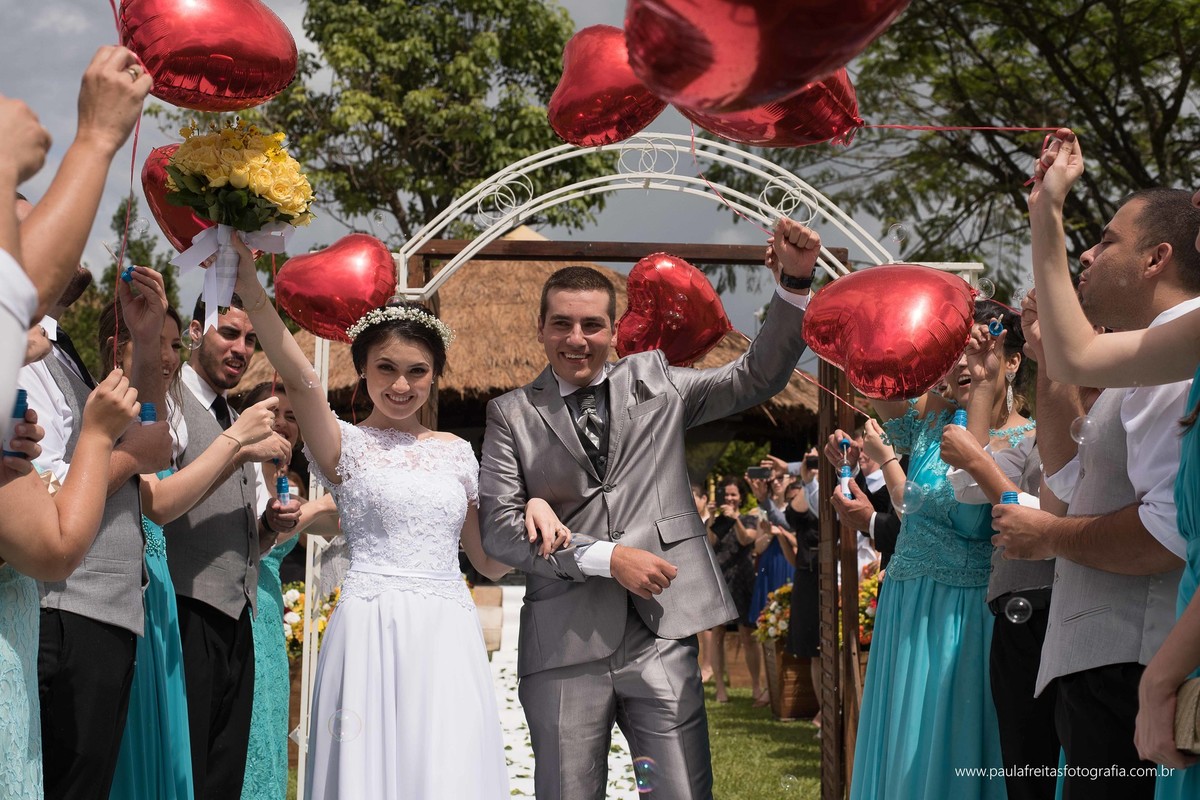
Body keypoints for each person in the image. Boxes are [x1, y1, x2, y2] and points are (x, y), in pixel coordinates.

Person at [478, 216, 815, 799]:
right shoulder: (508, 414)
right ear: (540, 329)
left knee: (682, 792)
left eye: (591, 325)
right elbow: (502, 532)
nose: (575, 338)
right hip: (562, 644)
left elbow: (757, 374)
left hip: (662, 631)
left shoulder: (658, 383)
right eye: (561, 323)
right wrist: (608, 558)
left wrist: (794, 282)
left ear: (614, 331)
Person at [226, 236, 518, 799]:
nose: (401, 384)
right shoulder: (346, 446)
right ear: (362, 369)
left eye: (417, 370)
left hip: (446, 628)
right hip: (369, 626)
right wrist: (251, 293)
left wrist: (537, 512)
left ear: (436, 375)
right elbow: (302, 377)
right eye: (385, 368)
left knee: (446, 767)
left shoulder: (460, 453)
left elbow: (489, 559)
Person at [1011, 130, 1200, 796]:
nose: (1089, 253)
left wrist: (1048, 537)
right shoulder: (1155, 354)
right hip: (1111, 666)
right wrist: (1045, 362)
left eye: (1108, 240)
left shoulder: (1183, 351)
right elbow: (1072, 486)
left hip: (1139, 662)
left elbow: (1167, 534)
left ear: (1158, 257)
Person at [848, 304, 1032, 799]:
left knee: (943, 748)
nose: (963, 363)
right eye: (956, 352)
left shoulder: (1026, 439)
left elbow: (976, 513)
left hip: (963, 620)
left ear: (1013, 362)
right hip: (905, 604)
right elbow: (878, 387)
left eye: (979, 349)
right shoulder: (935, 419)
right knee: (901, 744)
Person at [20, 255, 170, 799]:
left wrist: (147, 341)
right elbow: (47, 486)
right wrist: (128, 455)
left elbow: (149, 428)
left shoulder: (55, 345)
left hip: (103, 614)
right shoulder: (15, 350)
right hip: (60, 613)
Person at [164, 292, 299, 798]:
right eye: (229, 333)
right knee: (185, 770)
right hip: (183, 609)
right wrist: (239, 446)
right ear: (196, 331)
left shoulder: (231, 414)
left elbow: (246, 539)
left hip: (238, 617)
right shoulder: (173, 400)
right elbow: (159, 505)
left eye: (250, 339)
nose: (241, 348)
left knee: (223, 774)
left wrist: (268, 523)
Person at [939, 305, 1065, 800]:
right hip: (1017, 615)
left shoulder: (1045, 429)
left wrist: (977, 462)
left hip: (1059, 609)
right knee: (1025, 765)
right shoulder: (1027, 432)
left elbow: (1056, 515)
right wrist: (985, 381)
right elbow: (967, 489)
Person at [239, 380, 337, 800]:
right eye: (273, 412)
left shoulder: (293, 479)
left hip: (271, 609)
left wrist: (320, 505)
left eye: (293, 417)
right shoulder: (238, 470)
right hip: (239, 606)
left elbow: (345, 516)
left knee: (270, 722)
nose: (283, 424)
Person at [707, 475, 764, 704]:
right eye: (727, 494)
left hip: (743, 579)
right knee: (717, 634)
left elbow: (746, 540)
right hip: (720, 579)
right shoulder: (717, 520)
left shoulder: (749, 519)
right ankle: (721, 688)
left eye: (734, 494)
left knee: (748, 634)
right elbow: (709, 543)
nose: (730, 498)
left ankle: (756, 686)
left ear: (741, 497)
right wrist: (712, 517)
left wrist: (735, 519)